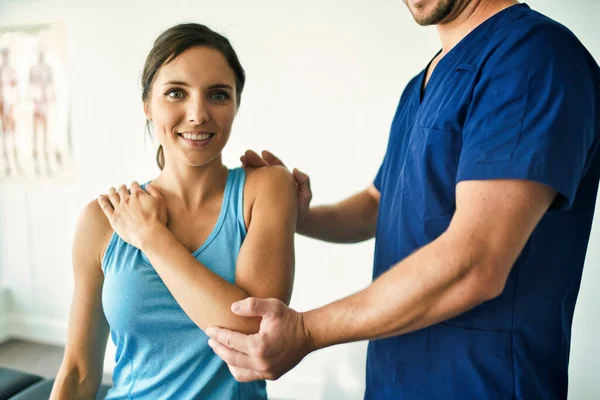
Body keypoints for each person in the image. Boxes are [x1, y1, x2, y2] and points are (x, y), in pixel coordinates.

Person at [206, 1, 600, 398]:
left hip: (481, 385)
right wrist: (296, 214)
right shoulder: (422, 84)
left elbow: (477, 261)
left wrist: (306, 331)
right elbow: (380, 204)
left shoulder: (533, 56)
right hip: (393, 383)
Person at [50, 23, 297, 400]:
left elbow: (255, 334)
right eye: (176, 93)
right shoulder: (102, 221)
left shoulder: (266, 188)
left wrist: (153, 238)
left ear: (235, 106)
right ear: (148, 105)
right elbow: (79, 372)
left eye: (217, 95)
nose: (197, 114)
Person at [29, 50, 55, 175]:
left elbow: (50, 86)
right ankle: (36, 162)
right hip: (37, 105)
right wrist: (36, 105)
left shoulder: (47, 69)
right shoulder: (33, 70)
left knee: (44, 135)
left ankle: (45, 162)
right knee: (36, 134)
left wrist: (48, 102)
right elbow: (31, 88)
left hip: (44, 105)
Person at [0, 47, 23, 176]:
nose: (5, 57)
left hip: (12, 107)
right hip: (3, 108)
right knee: (4, 135)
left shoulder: (12, 71)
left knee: (13, 135)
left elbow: (15, 89)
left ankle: (16, 162)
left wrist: (13, 104)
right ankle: (7, 163)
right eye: (4, 55)